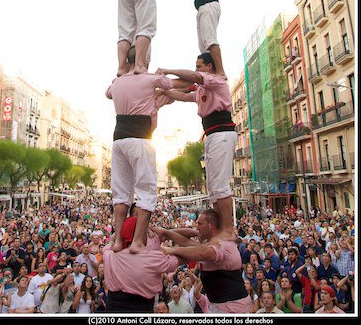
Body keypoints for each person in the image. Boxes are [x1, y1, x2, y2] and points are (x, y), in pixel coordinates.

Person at [155, 54, 237, 236]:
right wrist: (165, 92)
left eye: (199, 66)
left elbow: (192, 77)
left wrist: (167, 70)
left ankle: (228, 230)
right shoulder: (202, 89)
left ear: (209, 66)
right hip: (212, 135)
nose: (196, 69)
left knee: (221, 186)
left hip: (222, 133)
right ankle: (220, 229)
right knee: (213, 188)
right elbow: (184, 96)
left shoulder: (216, 80)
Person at [106, 49, 175, 253]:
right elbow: (169, 84)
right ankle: (137, 241)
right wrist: (158, 75)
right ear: (144, 59)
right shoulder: (149, 78)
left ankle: (118, 240)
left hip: (119, 139)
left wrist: (121, 74)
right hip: (140, 138)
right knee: (146, 189)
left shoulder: (117, 83)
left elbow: (108, 93)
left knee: (121, 192)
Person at [159, 209, 252, 313]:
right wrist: (165, 233)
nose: (196, 226)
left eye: (200, 224)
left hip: (232, 308)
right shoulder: (208, 243)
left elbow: (202, 253)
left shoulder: (221, 244)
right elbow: (185, 241)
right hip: (219, 306)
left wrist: (170, 250)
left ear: (211, 225)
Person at [103, 218, 182, 313]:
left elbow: (111, 242)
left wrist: (119, 235)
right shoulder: (152, 258)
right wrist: (170, 246)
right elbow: (183, 258)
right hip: (141, 308)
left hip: (113, 310)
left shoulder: (109, 254)